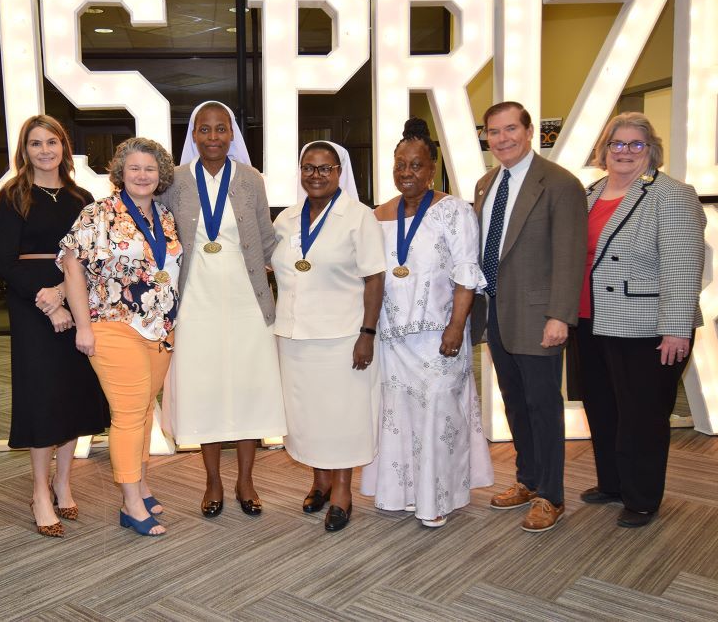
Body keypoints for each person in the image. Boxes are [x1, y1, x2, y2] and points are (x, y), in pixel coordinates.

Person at [361, 118, 493, 527]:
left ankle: (436, 500)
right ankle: (397, 494)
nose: (406, 173)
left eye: (415, 165)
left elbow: (466, 273)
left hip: (440, 337)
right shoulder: (378, 215)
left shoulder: (454, 212)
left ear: (432, 168)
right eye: (400, 164)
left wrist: (456, 327)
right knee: (397, 416)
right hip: (392, 339)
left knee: (439, 415)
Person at [575, 112, 705, 528]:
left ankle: (642, 498)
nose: (625, 152)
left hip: (647, 328)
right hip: (591, 321)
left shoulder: (671, 194)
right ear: (604, 149)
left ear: (651, 151)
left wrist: (676, 328)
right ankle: (612, 483)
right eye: (617, 144)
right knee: (603, 407)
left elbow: (683, 265)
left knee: (642, 416)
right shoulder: (590, 193)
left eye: (636, 144)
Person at [161, 101, 287, 518]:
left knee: (250, 390)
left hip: (246, 301)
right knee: (205, 392)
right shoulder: (174, 181)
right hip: (196, 303)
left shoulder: (251, 179)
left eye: (221, 129)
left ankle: (246, 480)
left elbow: (268, 240)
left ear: (232, 135)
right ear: (193, 135)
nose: (213, 137)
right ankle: (213, 481)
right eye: (204, 130)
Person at [472, 101, 587, 533]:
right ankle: (527, 478)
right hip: (497, 313)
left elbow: (570, 256)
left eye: (509, 130)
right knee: (515, 404)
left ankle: (551, 496)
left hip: (540, 317)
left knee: (543, 406)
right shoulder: (486, 184)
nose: (502, 139)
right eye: (493, 132)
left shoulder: (559, 183)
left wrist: (560, 316)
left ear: (529, 131)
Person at [59, 137, 181, 537]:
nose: (142, 175)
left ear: (161, 175)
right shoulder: (98, 213)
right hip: (114, 325)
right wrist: (82, 325)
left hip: (160, 329)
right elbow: (73, 270)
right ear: (120, 173)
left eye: (150, 168)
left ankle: (141, 485)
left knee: (145, 410)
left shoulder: (164, 215)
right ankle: (130, 504)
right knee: (129, 415)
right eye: (134, 168)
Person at [0, 115, 110, 537]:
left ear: (64, 147)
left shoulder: (83, 198)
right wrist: (47, 302)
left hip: (76, 302)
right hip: (30, 308)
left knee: (73, 395)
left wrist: (63, 293)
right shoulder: (13, 196)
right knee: (42, 398)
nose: (44, 151)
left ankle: (63, 482)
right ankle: (40, 491)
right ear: (24, 151)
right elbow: (5, 262)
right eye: (35, 144)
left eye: (51, 142)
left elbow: (94, 259)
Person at [271, 141, 385, 533]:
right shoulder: (285, 220)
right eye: (308, 167)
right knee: (306, 416)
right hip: (294, 336)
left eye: (325, 168)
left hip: (342, 336)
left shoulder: (359, 217)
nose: (316, 175)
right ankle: (318, 481)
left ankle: (341, 490)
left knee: (341, 417)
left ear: (340, 172)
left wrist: (367, 333)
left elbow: (374, 277)